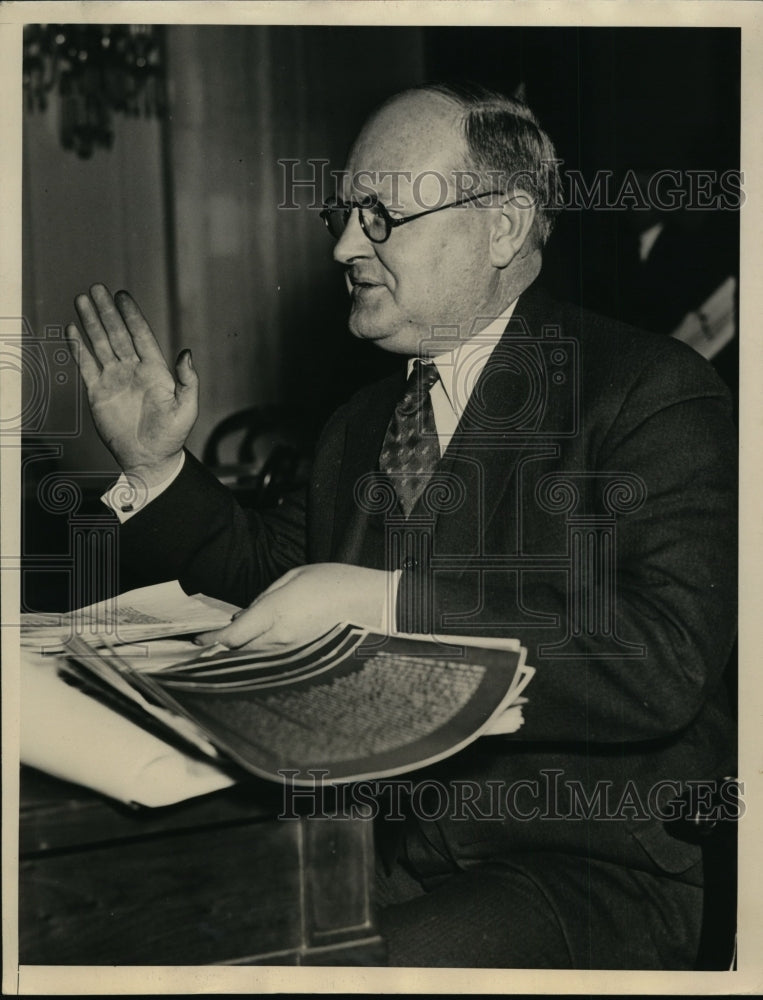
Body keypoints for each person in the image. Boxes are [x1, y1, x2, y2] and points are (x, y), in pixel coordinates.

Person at [65, 83, 737, 969]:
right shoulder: (360, 420)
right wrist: (154, 466)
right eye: (344, 213)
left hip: (585, 869)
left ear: (502, 225)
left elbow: (660, 658)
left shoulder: (647, 390)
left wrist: (385, 601)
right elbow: (273, 580)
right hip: (383, 850)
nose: (345, 244)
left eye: (380, 215)